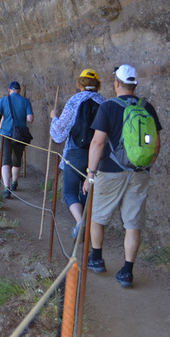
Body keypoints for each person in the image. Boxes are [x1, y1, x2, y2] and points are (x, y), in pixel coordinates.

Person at [82, 65, 162, 289]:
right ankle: (127, 272)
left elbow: (97, 142)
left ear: (116, 83)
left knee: (98, 216)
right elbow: (155, 144)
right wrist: (144, 165)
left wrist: (90, 174)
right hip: (139, 173)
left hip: (110, 171)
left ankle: (97, 259)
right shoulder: (148, 107)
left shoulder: (108, 107)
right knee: (132, 224)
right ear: (134, 85)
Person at [49, 69, 106, 240]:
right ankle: (85, 226)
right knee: (88, 191)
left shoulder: (75, 100)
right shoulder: (104, 102)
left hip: (76, 152)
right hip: (97, 154)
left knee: (69, 192)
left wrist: (54, 117)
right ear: (97, 84)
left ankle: (80, 222)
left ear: (80, 83)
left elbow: (60, 130)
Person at [0, 81, 34, 198]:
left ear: (9, 89)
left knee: (5, 160)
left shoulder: (3, 100)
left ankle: (6, 189)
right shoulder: (25, 101)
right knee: (16, 160)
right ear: (20, 90)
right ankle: (14, 183)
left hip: (5, 134)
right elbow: (30, 119)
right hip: (19, 135)